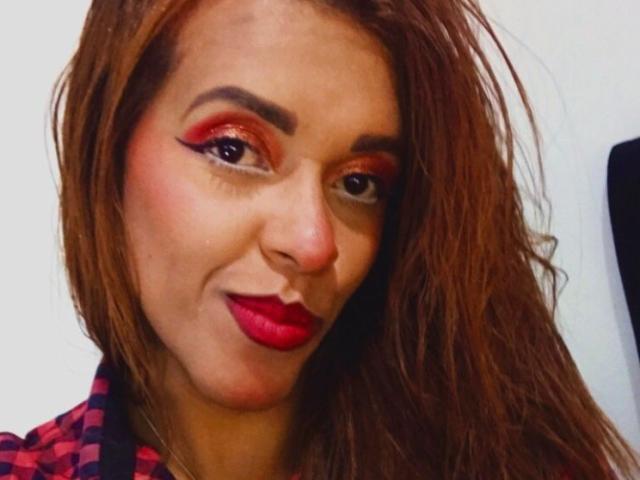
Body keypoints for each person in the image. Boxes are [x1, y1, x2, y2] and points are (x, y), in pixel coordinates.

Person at [0, 0, 637, 478]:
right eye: (234, 149)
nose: (312, 242)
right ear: (107, 150)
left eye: (359, 184)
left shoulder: (497, 458)